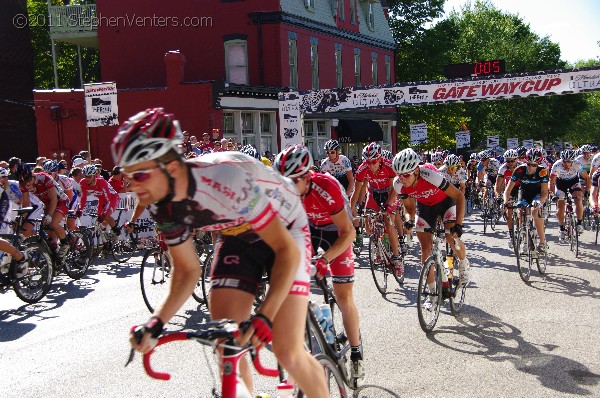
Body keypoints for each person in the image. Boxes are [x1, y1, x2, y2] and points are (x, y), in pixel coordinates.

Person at [114, 108, 328, 397]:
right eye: (128, 175)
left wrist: (265, 315)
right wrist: (156, 322)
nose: (132, 184)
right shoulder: (160, 203)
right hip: (237, 235)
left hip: (286, 232)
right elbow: (187, 270)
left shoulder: (225, 179)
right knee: (227, 341)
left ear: (172, 167)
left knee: (287, 351)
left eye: (139, 173)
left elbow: (284, 250)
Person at [273, 145, 364, 387]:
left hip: (337, 231)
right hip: (308, 230)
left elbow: (349, 233)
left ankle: (356, 353)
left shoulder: (327, 186)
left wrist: (326, 259)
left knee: (343, 295)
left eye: (292, 183)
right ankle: (315, 327)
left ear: (307, 176)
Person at [392, 148, 470, 289]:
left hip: (445, 203)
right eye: (399, 175)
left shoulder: (430, 175)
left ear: (416, 171)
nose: (402, 179)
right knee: (426, 250)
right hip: (426, 207)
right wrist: (409, 219)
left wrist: (458, 225)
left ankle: (464, 265)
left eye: (406, 175)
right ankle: (432, 293)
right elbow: (410, 208)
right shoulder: (398, 184)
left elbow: (459, 196)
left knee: (451, 238)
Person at [350, 142, 403, 276]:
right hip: (373, 193)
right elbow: (356, 192)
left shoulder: (389, 166)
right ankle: (378, 246)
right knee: (368, 223)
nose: (371, 165)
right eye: (368, 162)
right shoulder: (362, 169)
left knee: (388, 223)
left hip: (389, 193)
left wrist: (388, 205)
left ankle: (396, 258)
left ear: (380, 159)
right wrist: (351, 209)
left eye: (374, 161)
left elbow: (395, 188)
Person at [16, 163, 71, 256]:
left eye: (29, 180)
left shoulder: (44, 178)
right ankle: (54, 253)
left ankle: (65, 244)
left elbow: (54, 199)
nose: (27, 184)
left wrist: (49, 215)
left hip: (60, 201)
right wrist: (22, 218)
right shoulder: (23, 184)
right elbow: (26, 204)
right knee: (47, 231)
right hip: (47, 204)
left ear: (32, 175)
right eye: (25, 182)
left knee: (52, 223)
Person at [503, 148, 549, 255]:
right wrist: (506, 201)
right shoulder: (519, 170)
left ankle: (542, 242)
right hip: (524, 193)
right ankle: (525, 239)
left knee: (535, 212)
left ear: (538, 164)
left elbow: (544, 192)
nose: (531, 167)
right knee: (520, 211)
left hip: (537, 194)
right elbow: (508, 190)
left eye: (534, 165)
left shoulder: (542, 171)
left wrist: (539, 202)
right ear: (525, 161)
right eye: (529, 164)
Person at [549, 149, 589, 238]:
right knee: (560, 206)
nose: (566, 164)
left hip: (573, 182)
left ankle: (579, 223)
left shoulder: (577, 164)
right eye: (565, 161)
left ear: (573, 161)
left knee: (578, 200)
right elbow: (551, 182)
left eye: (569, 162)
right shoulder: (556, 165)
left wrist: (587, 190)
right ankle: (562, 229)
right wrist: (553, 195)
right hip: (561, 183)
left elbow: (587, 178)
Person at [76, 165, 120, 235]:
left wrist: (104, 214)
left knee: (106, 216)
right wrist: (80, 209)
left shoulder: (102, 182)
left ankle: (116, 231)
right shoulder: (83, 182)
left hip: (112, 198)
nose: (87, 179)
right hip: (102, 200)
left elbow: (109, 201)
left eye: (89, 176)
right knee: (98, 220)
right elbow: (83, 198)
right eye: (85, 176)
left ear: (94, 176)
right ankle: (105, 236)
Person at [495, 149, 522, 249]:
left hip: (520, 188)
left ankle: (522, 229)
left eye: (512, 161)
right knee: (508, 212)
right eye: (508, 161)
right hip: (509, 189)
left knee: (521, 210)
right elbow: (497, 185)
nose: (510, 163)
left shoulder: (521, 167)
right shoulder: (503, 168)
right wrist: (498, 196)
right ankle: (511, 236)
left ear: (516, 159)